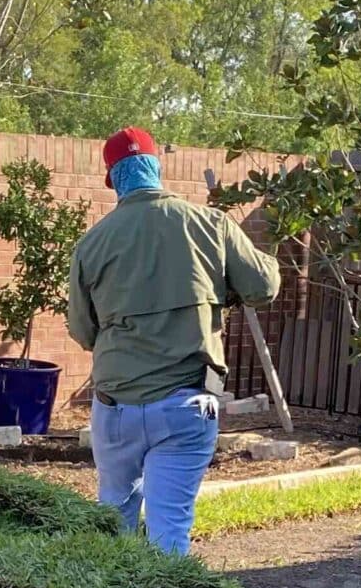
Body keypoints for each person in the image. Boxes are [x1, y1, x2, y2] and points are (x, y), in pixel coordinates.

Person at [67, 127, 281, 554]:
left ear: (114, 179)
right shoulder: (210, 224)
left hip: (115, 407)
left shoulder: (91, 244)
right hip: (185, 407)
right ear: (156, 169)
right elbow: (265, 285)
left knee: (114, 523)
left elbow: (83, 332)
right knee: (169, 531)